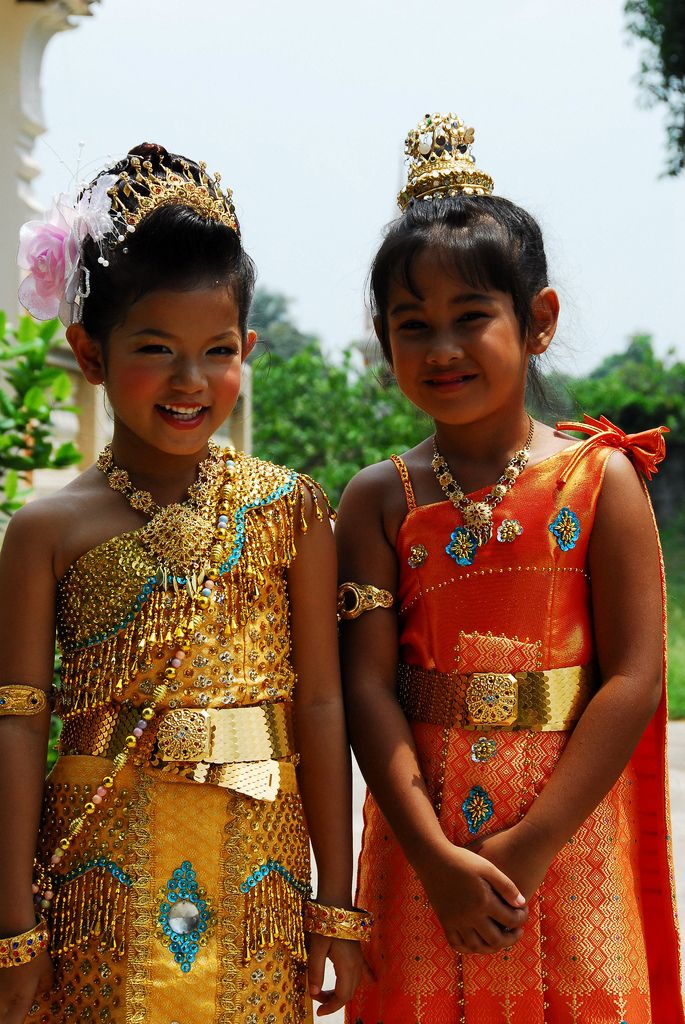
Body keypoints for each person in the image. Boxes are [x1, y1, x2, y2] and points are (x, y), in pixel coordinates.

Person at [0, 143, 366, 1024]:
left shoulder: (289, 509)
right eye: (155, 348)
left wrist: (338, 904)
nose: (189, 380)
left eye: (216, 351)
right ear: (89, 352)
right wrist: (13, 923)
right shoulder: (47, 531)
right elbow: (16, 720)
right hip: (98, 886)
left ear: (248, 348)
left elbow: (320, 705)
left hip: (259, 872)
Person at [337, 113, 683, 1024]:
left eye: (470, 318)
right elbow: (368, 690)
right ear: (383, 340)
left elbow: (635, 677)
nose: (441, 348)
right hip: (427, 842)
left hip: (564, 835)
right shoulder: (378, 499)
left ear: (538, 321)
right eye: (413, 326)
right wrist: (434, 858)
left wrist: (530, 846)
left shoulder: (597, 479)